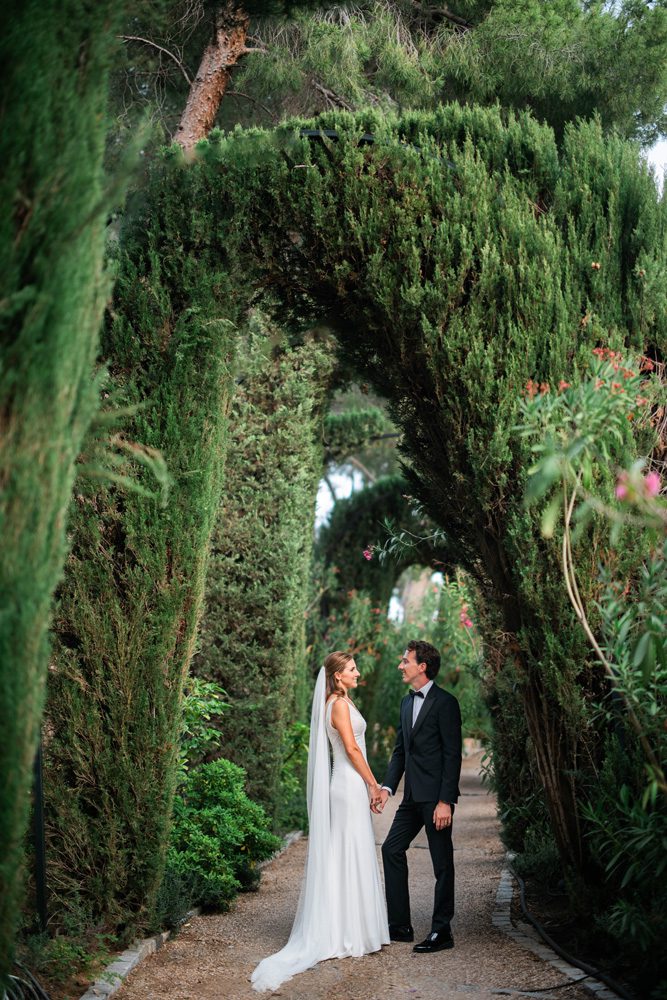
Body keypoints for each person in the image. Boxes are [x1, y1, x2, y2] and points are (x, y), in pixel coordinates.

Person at [251, 651, 389, 992]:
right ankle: (344, 931)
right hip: (347, 783)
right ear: (338, 676)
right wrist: (373, 783)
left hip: (348, 783)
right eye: (353, 669)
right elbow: (352, 750)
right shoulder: (338, 705)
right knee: (347, 852)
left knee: (349, 852)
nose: (358, 672)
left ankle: (352, 926)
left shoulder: (341, 700)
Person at [376, 639, 462, 954]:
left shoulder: (446, 702)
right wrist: (387, 788)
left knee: (442, 864)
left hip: (435, 798)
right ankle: (400, 926)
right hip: (411, 797)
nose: (401, 665)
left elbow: (453, 755)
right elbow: (401, 751)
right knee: (391, 849)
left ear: (421, 666)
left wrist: (445, 801)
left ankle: (442, 931)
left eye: (405, 660)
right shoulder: (405, 703)